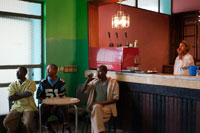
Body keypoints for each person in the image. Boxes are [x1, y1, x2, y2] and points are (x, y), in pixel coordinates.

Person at [82, 65, 119, 133]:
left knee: (95, 112)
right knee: (96, 109)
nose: (97, 73)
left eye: (100, 72)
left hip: (107, 109)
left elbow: (115, 99)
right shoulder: (95, 82)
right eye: (97, 71)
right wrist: (88, 79)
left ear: (105, 72)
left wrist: (101, 103)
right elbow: (83, 90)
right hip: (95, 108)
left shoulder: (113, 83)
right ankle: (101, 131)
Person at [36, 64, 71, 133]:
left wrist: (55, 105)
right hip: (46, 105)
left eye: (49, 69)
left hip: (58, 105)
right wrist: (44, 103)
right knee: (40, 112)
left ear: (55, 71)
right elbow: (38, 95)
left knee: (64, 110)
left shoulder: (61, 82)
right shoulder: (43, 82)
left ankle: (68, 129)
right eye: (47, 69)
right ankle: (48, 128)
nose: (47, 71)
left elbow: (63, 96)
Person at [3, 67, 38, 133]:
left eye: (19, 72)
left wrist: (16, 94)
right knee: (6, 121)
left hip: (29, 107)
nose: (17, 74)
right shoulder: (13, 84)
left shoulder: (31, 83)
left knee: (27, 123)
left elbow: (29, 93)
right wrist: (24, 94)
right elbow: (10, 98)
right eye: (16, 72)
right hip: (17, 107)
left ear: (25, 73)